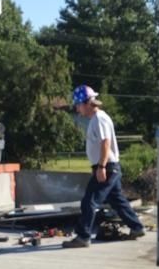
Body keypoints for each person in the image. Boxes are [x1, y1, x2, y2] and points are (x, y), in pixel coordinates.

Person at [62, 85, 145, 248]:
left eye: (78, 105)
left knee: (89, 201)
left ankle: (83, 237)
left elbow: (105, 143)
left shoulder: (99, 119)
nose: (77, 109)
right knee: (117, 200)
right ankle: (137, 227)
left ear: (86, 103)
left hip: (106, 166)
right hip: (109, 166)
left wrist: (101, 167)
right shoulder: (97, 119)